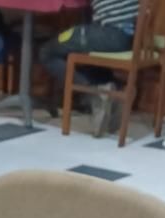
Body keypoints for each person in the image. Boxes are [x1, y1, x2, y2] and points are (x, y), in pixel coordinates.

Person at [40, 0, 140, 135]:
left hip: (110, 34)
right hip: (130, 36)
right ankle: (114, 90)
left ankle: (98, 94)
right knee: (87, 53)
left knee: (47, 52)